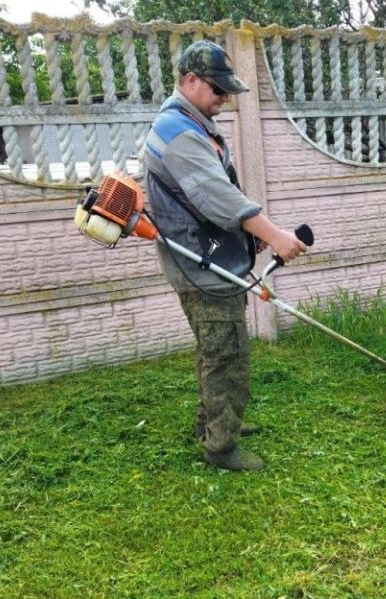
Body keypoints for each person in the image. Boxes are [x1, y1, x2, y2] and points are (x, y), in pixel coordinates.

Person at [144, 40, 307, 472]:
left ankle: (213, 423)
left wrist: (251, 240)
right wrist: (274, 236)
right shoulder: (178, 134)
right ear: (190, 81)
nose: (224, 99)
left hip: (210, 259)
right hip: (203, 266)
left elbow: (218, 193)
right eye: (218, 90)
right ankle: (221, 446)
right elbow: (220, 199)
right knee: (227, 356)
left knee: (213, 351)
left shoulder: (189, 123)